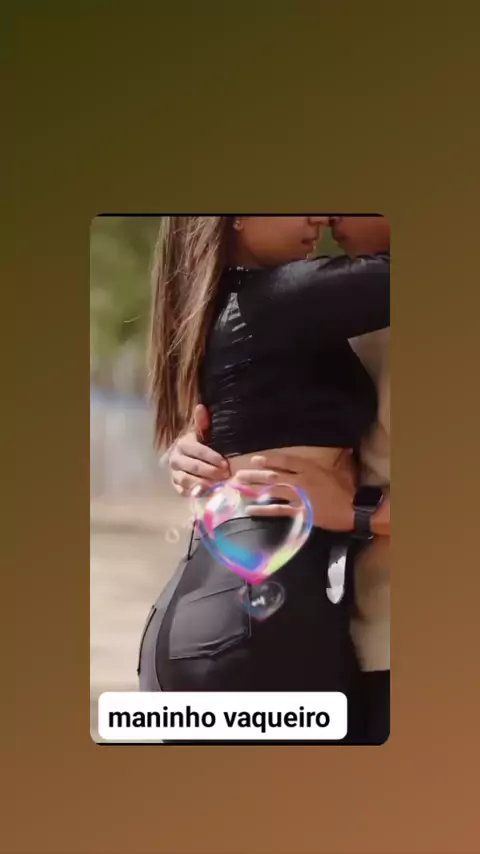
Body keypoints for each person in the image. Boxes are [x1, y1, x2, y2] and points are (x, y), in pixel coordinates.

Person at [138, 215, 390, 744]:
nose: (319, 215)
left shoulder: (226, 306)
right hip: (260, 629)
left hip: (194, 619)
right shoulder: (282, 296)